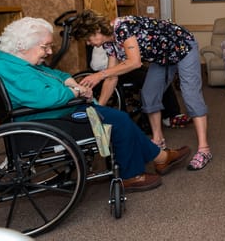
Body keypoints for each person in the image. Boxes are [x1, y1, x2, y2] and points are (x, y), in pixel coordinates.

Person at [0, 17, 191, 192]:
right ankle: (133, 175)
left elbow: (56, 75)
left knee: (112, 115)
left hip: (54, 112)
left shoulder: (16, 62)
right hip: (47, 120)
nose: (49, 52)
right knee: (119, 121)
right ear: (23, 46)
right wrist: (75, 91)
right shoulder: (12, 69)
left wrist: (70, 82)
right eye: (45, 47)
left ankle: (161, 158)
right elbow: (46, 98)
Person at [71, 10, 212, 171]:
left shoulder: (123, 27)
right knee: (149, 94)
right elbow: (112, 77)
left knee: (190, 95)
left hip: (182, 46)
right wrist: (98, 108)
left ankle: (204, 149)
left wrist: (99, 75)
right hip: (161, 56)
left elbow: (135, 62)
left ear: (96, 30)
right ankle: (158, 141)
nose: (88, 43)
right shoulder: (109, 43)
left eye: (88, 39)